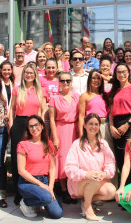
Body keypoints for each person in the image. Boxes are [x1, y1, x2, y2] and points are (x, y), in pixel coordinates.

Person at [65, 113, 116, 221]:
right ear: (85, 125)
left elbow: (110, 163)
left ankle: (87, 201)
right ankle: (87, 207)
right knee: (93, 180)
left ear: (99, 126)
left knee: (111, 191)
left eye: (96, 124)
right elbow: (69, 168)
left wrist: (104, 174)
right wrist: (86, 174)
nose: (93, 127)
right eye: (90, 124)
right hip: (78, 183)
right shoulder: (77, 144)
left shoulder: (103, 144)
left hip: (97, 180)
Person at [9, 62, 46, 205]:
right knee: (17, 159)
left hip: (34, 125)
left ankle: (32, 189)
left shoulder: (39, 90)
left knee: (32, 158)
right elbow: (12, 109)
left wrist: (41, 126)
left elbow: (42, 110)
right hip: (19, 124)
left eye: (31, 72)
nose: (29, 75)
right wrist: (11, 126)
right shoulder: (17, 89)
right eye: (27, 72)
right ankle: (18, 192)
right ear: (23, 74)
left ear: (35, 75)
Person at [17, 115, 63, 219]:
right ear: (28, 129)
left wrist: (50, 187)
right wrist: (40, 185)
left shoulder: (48, 144)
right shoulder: (23, 144)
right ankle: (26, 202)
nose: (34, 128)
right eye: (31, 126)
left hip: (45, 180)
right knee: (46, 197)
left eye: (36, 125)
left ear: (42, 126)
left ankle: (38, 201)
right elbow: (21, 170)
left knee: (57, 213)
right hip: (28, 182)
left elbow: (52, 168)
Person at [109, 63, 131, 183]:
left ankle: (130, 187)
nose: (122, 74)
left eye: (124, 71)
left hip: (130, 123)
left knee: (128, 157)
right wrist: (112, 126)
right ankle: (123, 187)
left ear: (128, 73)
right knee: (119, 157)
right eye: (119, 72)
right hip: (116, 125)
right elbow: (111, 112)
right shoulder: (114, 90)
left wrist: (128, 124)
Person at [49, 72, 79, 204]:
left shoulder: (77, 97)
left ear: (71, 82)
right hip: (60, 129)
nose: (65, 83)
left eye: (68, 80)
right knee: (61, 159)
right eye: (63, 81)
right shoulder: (54, 99)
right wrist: (54, 137)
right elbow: (51, 119)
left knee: (74, 159)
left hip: (74, 129)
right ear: (59, 82)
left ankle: (73, 189)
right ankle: (64, 190)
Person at [79, 69, 113, 150]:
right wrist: (81, 134)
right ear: (89, 79)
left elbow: (115, 82)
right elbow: (81, 116)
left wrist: (105, 77)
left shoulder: (105, 95)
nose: (96, 80)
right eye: (93, 78)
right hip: (91, 127)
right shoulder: (85, 96)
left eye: (98, 78)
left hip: (104, 127)